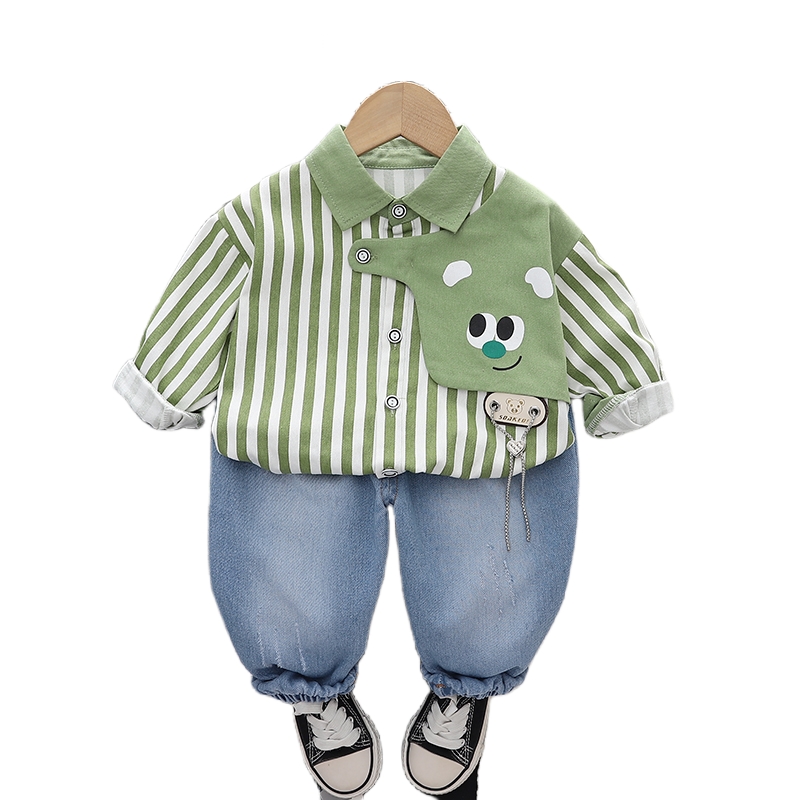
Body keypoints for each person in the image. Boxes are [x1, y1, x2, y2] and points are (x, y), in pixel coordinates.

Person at [114, 120, 672, 798]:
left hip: (476, 444)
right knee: (291, 578)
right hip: (302, 443)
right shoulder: (264, 217)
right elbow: (178, 348)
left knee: (486, 576)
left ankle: (466, 687)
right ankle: (313, 692)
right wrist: (167, 383)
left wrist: (624, 384)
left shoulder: (524, 216)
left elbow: (586, 292)